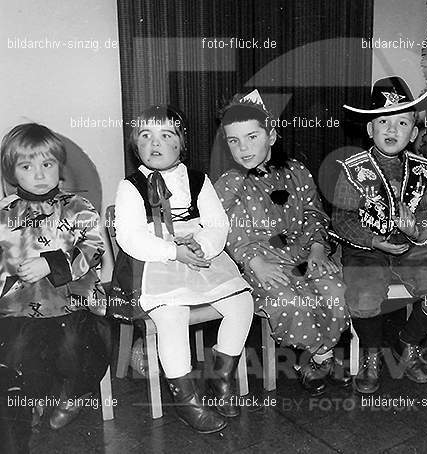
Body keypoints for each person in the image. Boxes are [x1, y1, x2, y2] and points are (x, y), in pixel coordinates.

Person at [111, 106, 254, 433]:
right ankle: (186, 400)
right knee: (171, 315)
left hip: (199, 254)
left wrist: (202, 244)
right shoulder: (130, 186)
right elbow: (130, 236)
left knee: (241, 303)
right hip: (155, 259)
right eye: (146, 136)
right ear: (136, 146)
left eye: (166, 135)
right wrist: (172, 251)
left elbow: (218, 222)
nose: (155, 143)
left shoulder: (197, 180)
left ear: (181, 144)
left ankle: (220, 382)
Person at [213, 90, 351, 397]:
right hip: (262, 261)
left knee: (335, 291)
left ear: (271, 135)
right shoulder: (230, 183)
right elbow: (228, 230)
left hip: (303, 252)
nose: (243, 147)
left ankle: (320, 354)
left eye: (251, 136)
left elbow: (315, 213)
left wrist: (317, 247)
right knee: (291, 301)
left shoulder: (297, 172)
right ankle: (318, 355)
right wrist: (255, 262)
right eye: (234, 141)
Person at [332, 76, 427, 394]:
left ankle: (407, 342)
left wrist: (417, 229)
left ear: (413, 133)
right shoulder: (352, 169)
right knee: (362, 296)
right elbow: (341, 219)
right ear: (369, 129)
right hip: (365, 248)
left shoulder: (424, 168)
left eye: (401, 122)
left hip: (411, 246)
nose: (391, 129)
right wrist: (371, 240)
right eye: (382, 121)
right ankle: (371, 355)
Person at [0, 123, 110, 430]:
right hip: (20, 307)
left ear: (58, 167)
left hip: (72, 303)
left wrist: (52, 263)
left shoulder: (77, 207)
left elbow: (93, 248)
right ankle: (28, 398)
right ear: (12, 172)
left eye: (47, 164)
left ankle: (74, 394)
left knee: (75, 345)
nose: (39, 175)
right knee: (18, 346)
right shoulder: (4, 215)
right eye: (27, 166)